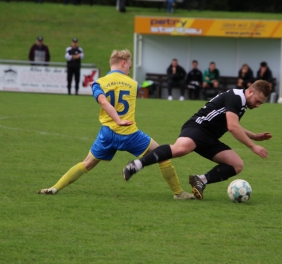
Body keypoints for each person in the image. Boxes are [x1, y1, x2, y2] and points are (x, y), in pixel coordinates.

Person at [37, 49, 195, 200]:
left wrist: (97, 86)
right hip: (129, 133)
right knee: (163, 155)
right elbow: (136, 87)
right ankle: (178, 193)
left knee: (86, 164)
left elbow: (104, 101)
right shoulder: (133, 83)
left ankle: (55, 187)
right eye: (129, 67)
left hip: (107, 135)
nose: (129, 71)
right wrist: (119, 120)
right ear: (124, 63)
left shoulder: (98, 83)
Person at [123, 80, 272, 200]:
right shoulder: (236, 97)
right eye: (258, 101)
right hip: (198, 127)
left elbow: (231, 124)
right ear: (250, 91)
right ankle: (135, 165)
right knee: (181, 149)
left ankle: (200, 180)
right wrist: (253, 146)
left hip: (210, 137)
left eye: (261, 103)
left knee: (237, 165)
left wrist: (253, 135)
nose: (258, 105)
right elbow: (232, 127)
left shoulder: (242, 102)